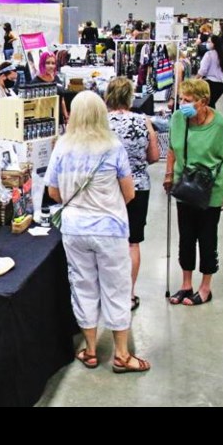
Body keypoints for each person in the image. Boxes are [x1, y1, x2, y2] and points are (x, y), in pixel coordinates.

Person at [44, 91, 148, 373]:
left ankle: (90, 351)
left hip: (74, 230)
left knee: (83, 286)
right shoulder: (113, 147)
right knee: (117, 288)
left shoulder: (61, 147)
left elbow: (53, 192)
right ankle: (122, 355)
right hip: (110, 229)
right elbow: (129, 193)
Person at [163, 79, 223, 306]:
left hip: (211, 192)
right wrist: (169, 175)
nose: (183, 105)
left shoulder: (222, 126)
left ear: (204, 102)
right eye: (181, 99)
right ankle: (186, 284)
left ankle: (205, 287)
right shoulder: (178, 119)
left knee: (207, 239)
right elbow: (172, 148)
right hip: (185, 187)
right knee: (186, 238)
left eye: (188, 101)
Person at [105, 77, 160, 311]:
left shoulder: (101, 124)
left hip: (108, 187)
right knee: (132, 243)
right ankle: (128, 295)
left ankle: (108, 293)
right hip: (138, 187)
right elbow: (154, 157)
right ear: (130, 96)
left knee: (107, 242)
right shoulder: (143, 121)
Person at [34, 51, 69, 121]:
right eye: (47, 63)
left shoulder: (57, 78)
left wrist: (66, 116)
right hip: (43, 120)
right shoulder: (35, 82)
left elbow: (61, 99)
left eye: (53, 63)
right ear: (42, 64)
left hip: (59, 118)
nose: (51, 66)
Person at [197, 31, 223, 107]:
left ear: (214, 44)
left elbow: (202, 71)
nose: (207, 44)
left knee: (208, 104)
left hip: (212, 83)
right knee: (211, 103)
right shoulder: (222, 53)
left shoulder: (209, 54)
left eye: (209, 42)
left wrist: (195, 79)